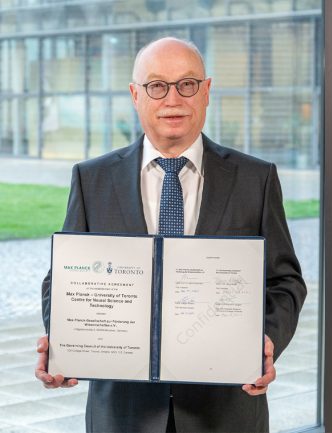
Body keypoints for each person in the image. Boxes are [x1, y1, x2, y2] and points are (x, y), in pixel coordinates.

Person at [35, 37, 307, 432]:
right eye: (157, 86)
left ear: (207, 91)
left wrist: (265, 341)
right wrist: (65, 347)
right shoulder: (91, 179)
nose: (173, 99)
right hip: (123, 413)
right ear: (135, 94)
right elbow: (63, 281)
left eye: (187, 84)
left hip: (225, 412)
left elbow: (285, 282)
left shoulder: (256, 179)